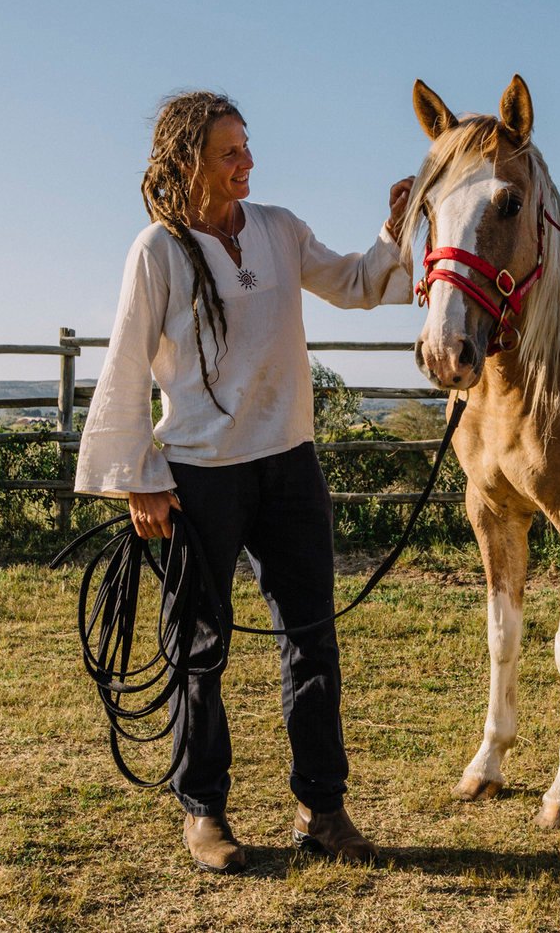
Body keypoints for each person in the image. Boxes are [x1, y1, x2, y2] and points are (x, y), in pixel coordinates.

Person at [74, 90, 412, 874]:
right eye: (230, 153)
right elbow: (126, 364)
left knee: (313, 640)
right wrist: (139, 480)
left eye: (248, 149)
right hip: (198, 476)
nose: (247, 164)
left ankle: (322, 809)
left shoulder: (280, 229)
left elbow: (359, 283)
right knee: (200, 646)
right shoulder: (156, 251)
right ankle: (205, 813)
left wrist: (394, 233)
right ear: (188, 159)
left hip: (290, 462)